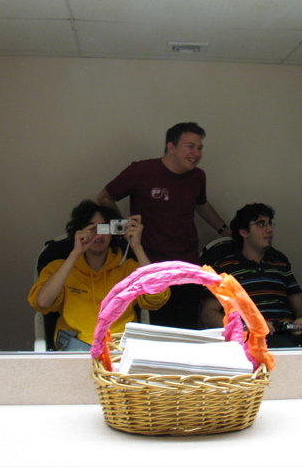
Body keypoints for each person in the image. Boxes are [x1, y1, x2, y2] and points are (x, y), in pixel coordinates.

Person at [96, 122, 230, 329]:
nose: (196, 153)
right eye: (190, 146)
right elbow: (104, 197)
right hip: (150, 266)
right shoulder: (141, 170)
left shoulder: (198, 176)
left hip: (188, 267)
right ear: (171, 146)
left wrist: (225, 230)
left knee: (186, 331)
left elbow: (200, 203)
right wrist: (124, 227)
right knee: (156, 330)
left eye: (200, 148)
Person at [28, 200, 170, 350]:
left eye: (104, 228)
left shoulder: (129, 269)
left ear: (114, 231)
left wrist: (137, 247)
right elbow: (43, 302)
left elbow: (157, 299)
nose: (98, 234)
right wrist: (75, 253)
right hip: (74, 349)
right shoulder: (59, 268)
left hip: (119, 349)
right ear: (79, 231)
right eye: (92, 228)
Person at [201, 203, 302, 348]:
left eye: (270, 224)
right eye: (261, 224)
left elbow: (301, 307)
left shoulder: (280, 264)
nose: (269, 229)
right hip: (256, 341)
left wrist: (301, 320)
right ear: (244, 232)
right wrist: (247, 326)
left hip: (290, 336)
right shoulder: (225, 269)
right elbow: (208, 314)